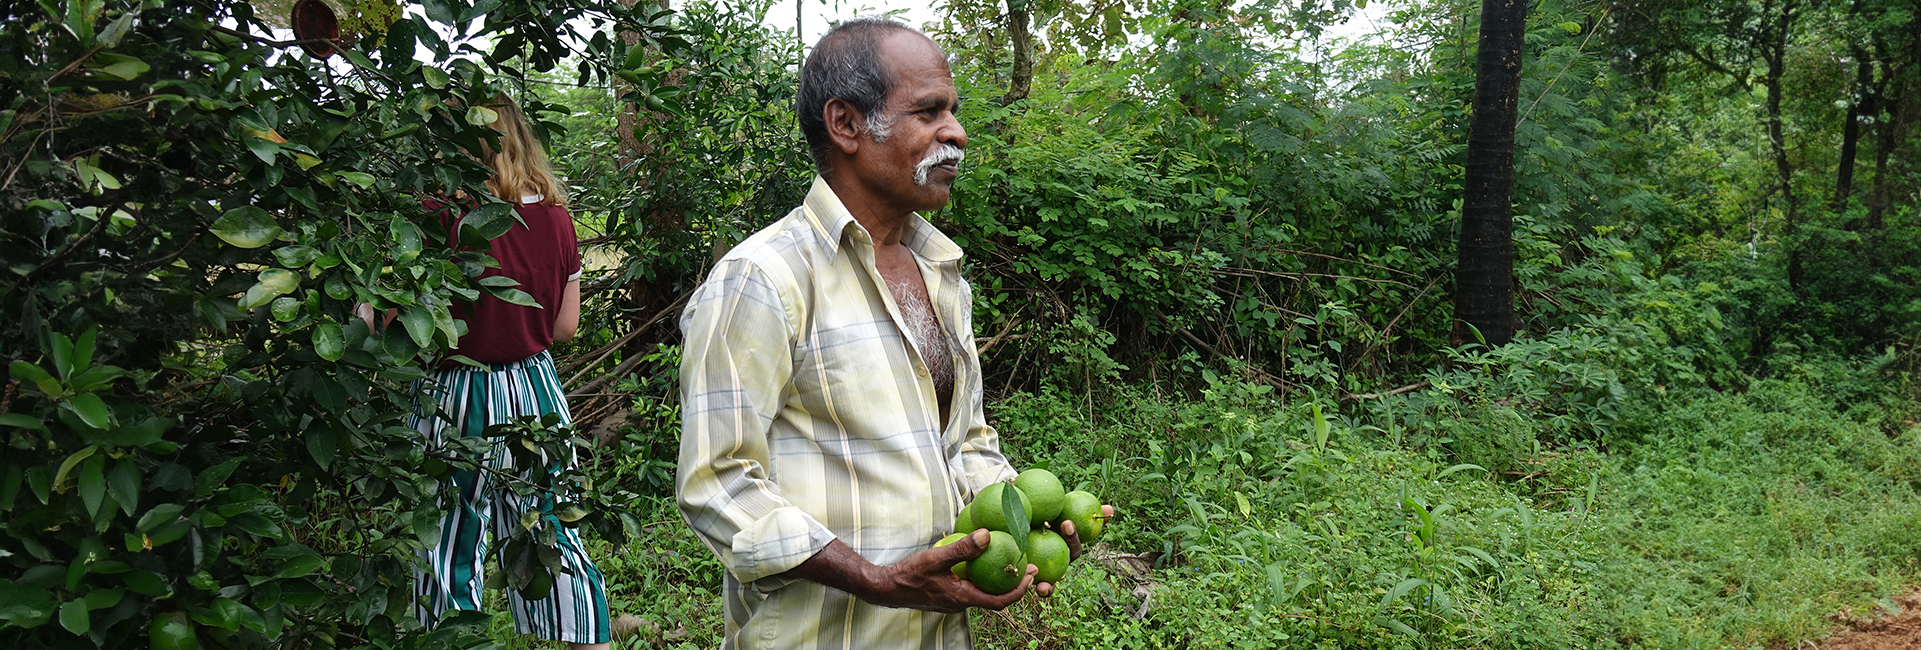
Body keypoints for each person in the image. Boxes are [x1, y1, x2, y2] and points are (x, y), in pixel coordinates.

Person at [676, 18, 1108, 648]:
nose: (956, 134)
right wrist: (877, 580)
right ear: (846, 124)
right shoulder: (762, 279)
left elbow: (965, 441)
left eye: (953, 111)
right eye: (929, 112)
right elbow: (717, 482)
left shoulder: (941, 274)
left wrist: (1022, 516)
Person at [390, 94, 612, 649]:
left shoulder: (437, 215)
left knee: (446, 539)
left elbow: (395, 327)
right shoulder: (557, 219)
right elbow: (564, 328)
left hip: (453, 393)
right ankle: (591, 639)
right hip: (535, 390)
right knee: (550, 529)